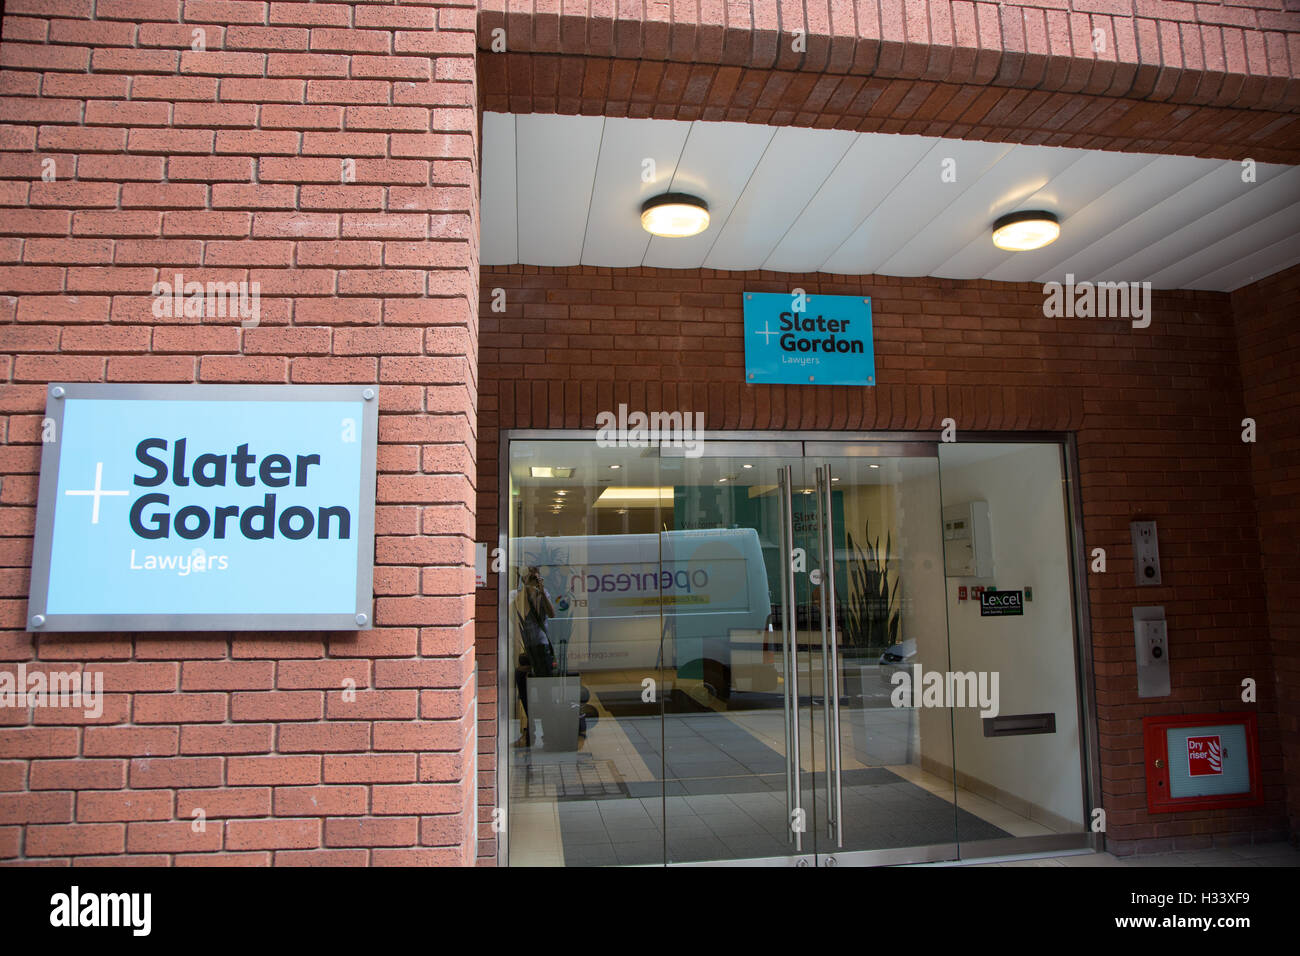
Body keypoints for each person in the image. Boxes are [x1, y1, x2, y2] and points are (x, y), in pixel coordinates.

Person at [512, 566, 556, 746]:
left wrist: (540, 591)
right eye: (529, 578)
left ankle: (547, 734)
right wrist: (525, 589)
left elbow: (551, 613)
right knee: (524, 687)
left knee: (545, 692)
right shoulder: (520, 594)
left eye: (535, 578)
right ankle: (529, 733)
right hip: (526, 648)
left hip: (541, 647)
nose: (532, 582)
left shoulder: (542, 594)